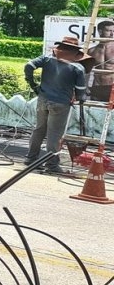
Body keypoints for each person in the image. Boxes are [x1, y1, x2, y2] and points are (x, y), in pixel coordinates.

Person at [24, 35, 88, 174]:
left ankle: (30, 159)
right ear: (75, 53)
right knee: (55, 134)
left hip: (43, 100)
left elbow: (29, 66)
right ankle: (52, 165)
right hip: (60, 104)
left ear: (59, 49)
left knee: (39, 129)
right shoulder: (78, 68)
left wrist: (32, 84)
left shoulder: (46, 59)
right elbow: (81, 92)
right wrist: (80, 99)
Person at [89, 20, 114, 103]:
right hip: (96, 88)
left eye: (113, 31)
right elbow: (84, 71)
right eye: (108, 31)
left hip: (111, 88)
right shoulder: (91, 51)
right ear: (100, 31)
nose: (112, 34)